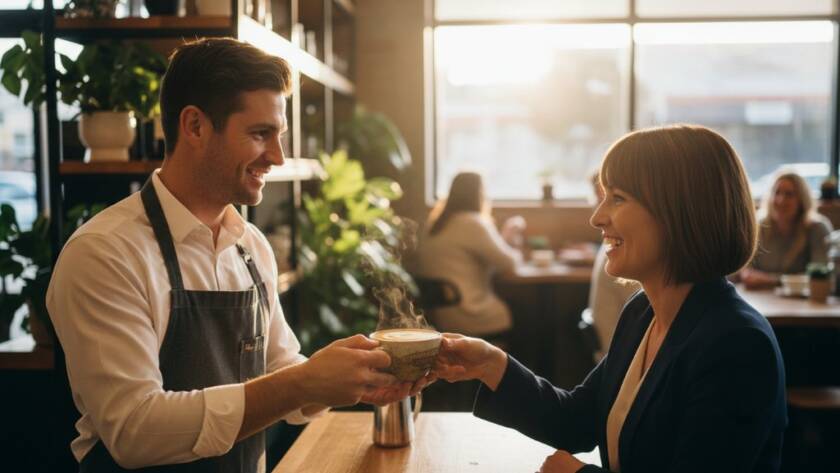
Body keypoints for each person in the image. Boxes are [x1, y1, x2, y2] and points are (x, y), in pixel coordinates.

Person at [47, 38, 426, 472]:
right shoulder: (106, 254)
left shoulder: (249, 245)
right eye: (260, 134)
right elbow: (134, 430)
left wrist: (351, 381)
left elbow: (280, 368)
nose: (278, 157)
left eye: (278, 136)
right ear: (195, 127)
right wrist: (304, 381)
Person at [434, 125, 786, 473]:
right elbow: (575, 421)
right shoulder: (643, 312)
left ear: (678, 212)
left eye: (617, 198)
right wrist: (489, 364)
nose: (597, 217)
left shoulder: (736, 344)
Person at [411, 171, 522, 338]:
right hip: (471, 315)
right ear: (480, 194)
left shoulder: (436, 223)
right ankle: (518, 363)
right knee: (526, 312)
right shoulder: (472, 222)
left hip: (441, 315)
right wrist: (510, 239)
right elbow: (509, 263)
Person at [740, 172, 833, 289]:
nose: (781, 200)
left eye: (789, 194)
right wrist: (746, 273)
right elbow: (744, 267)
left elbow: (820, 275)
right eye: (777, 192)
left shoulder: (817, 228)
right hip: (762, 298)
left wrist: (772, 280)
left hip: (804, 302)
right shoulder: (759, 226)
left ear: (802, 200)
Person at [586, 171, 639, 360]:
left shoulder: (615, 247)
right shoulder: (622, 251)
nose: (596, 218)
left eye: (617, 199)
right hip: (621, 358)